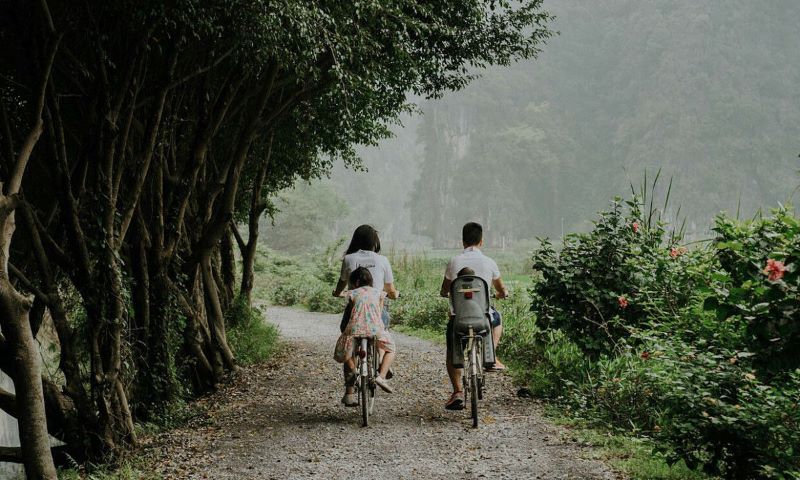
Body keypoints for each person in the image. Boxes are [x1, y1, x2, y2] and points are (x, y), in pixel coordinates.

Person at [439, 222, 509, 410]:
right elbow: (501, 290)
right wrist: (502, 294)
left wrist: (448, 293)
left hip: (458, 318)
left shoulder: (454, 262)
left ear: (463, 241)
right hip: (483, 317)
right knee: (498, 318)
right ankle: (491, 355)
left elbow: (444, 290)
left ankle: (458, 391)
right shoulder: (489, 262)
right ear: (481, 241)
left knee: (452, 348)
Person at [332, 225, 399, 406]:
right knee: (381, 328)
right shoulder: (383, 260)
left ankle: (349, 392)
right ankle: (381, 367)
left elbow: (341, 285)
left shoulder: (348, 259)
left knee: (349, 341)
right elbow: (390, 290)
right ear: (374, 242)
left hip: (353, 312)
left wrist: (336, 293)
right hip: (376, 312)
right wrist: (394, 294)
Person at [334, 267, 395, 404]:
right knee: (391, 349)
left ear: (355, 282)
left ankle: (354, 370)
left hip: (355, 328)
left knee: (345, 350)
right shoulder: (380, 293)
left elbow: (350, 310)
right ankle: (382, 376)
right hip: (375, 329)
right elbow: (379, 313)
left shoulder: (351, 293)